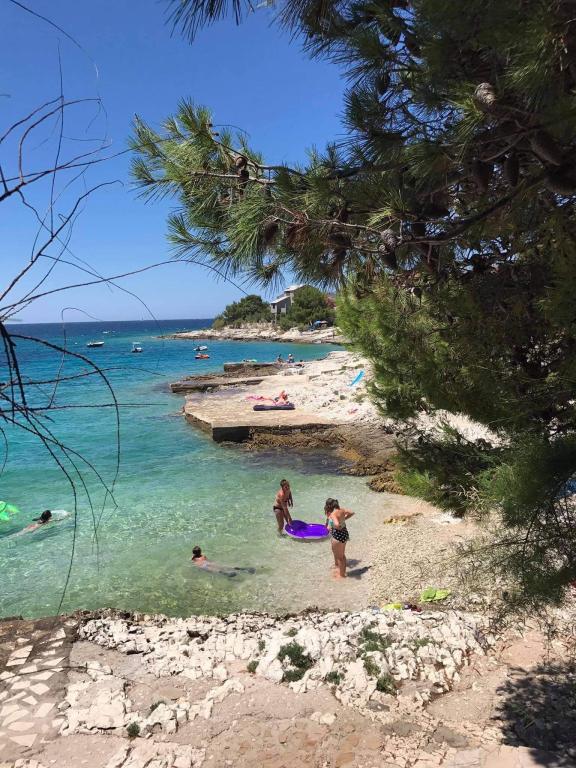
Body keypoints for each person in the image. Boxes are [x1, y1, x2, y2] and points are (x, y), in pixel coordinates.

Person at [325, 498, 354, 579]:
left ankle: (342, 575)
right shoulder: (342, 510)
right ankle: (339, 569)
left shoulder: (333, 514)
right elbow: (352, 512)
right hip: (344, 533)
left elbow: (337, 524)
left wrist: (338, 526)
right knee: (341, 555)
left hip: (338, 535)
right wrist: (343, 519)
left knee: (340, 557)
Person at [190, 546, 255, 577]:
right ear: (200, 551)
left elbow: (193, 562)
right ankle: (243, 569)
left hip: (202, 566)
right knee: (223, 566)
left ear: (193, 553)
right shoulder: (203, 556)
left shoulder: (193, 558)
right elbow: (208, 560)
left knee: (214, 570)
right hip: (208, 563)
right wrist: (213, 562)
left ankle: (226, 574)